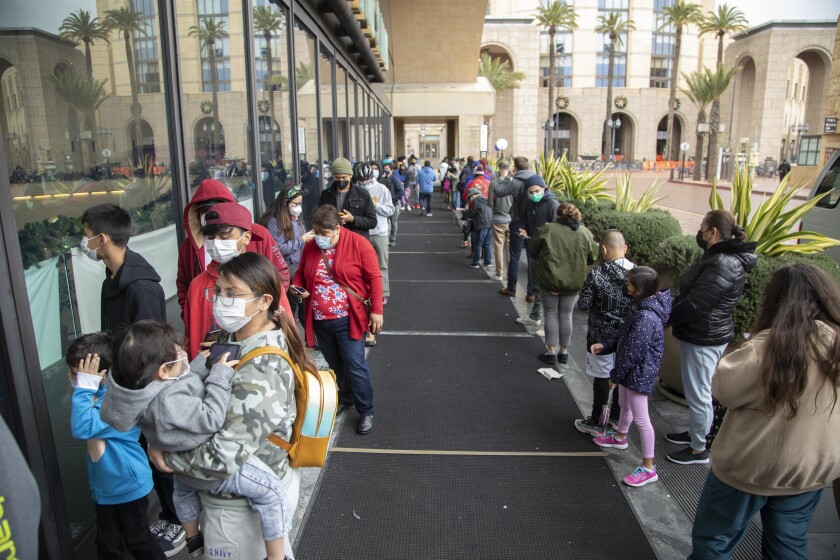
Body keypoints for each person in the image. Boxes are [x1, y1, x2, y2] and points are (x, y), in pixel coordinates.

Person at [147, 253, 303, 560]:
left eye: (232, 294)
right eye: (218, 291)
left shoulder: (263, 365)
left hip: (239, 506)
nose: (220, 300)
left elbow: (225, 456)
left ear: (263, 301)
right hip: (231, 496)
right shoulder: (233, 337)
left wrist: (167, 455)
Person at [101, 319, 291, 560]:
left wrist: (201, 361)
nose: (182, 353)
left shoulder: (145, 389)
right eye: (177, 353)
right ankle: (276, 556)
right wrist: (220, 375)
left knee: (181, 492)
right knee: (272, 492)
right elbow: (211, 417)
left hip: (183, 471)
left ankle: (193, 539)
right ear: (162, 370)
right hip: (210, 466)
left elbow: (182, 381)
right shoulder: (169, 402)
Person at [689, 264, 840, 559]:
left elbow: (722, 388)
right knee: (789, 545)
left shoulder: (767, 348)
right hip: (808, 471)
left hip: (747, 469)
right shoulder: (836, 346)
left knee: (714, 540)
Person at [80, 203, 183, 555]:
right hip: (122, 385)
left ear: (102, 238)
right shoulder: (113, 276)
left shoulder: (140, 286)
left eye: (86, 236)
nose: (85, 243)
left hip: (144, 390)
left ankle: (175, 518)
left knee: (158, 454)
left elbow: (153, 349)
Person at [665, 210, 757, 465]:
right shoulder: (716, 257)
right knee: (697, 390)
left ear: (713, 232)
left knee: (699, 392)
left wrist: (665, 318)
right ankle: (696, 433)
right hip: (701, 333)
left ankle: (699, 449)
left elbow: (697, 304)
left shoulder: (723, 263)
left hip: (704, 336)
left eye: (703, 228)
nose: (700, 233)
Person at [67, 334, 164, 559]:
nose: (72, 379)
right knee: (108, 544)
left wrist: (84, 388)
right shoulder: (99, 392)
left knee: (138, 541)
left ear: (99, 375)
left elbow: (82, 427)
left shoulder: (116, 403)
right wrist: (88, 386)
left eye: (76, 375)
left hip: (127, 486)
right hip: (106, 488)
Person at [291, 205, 383, 435]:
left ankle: (366, 410)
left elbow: (374, 277)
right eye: (316, 232)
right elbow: (301, 272)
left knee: (355, 364)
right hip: (321, 319)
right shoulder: (312, 246)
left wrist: (377, 311)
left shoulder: (358, 244)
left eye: (325, 234)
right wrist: (298, 286)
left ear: (338, 229)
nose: (320, 238)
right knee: (336, 365)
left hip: (348, 317)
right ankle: (346, 398)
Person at [591, 267, 671, 488]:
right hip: (632, 373)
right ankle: (619, 437)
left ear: (639, 289)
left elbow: (632, 352)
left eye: (629, 283)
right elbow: (625, 336)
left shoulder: (646, 317)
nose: (626, 285)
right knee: (624, 405)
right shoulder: (641, 308)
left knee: (642, 419)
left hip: (638, 374)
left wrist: (615, 377)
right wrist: (606, 345)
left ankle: (648, 467)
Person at [183, 202, 293, 358]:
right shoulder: (197, 286)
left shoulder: (261, 279)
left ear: (246, 237)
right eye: (210, 237)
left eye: (224, 237)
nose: (216, 243)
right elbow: (192, 336)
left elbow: (285, 327)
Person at [176, 178, 290, 316]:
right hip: (209, 320)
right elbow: (183, 286)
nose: (212, 213)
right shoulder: (189, 247)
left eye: (224, 237)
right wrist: (189, 314)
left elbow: (280, 272)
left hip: (256, 316)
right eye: (204, 210)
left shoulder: (258, 234)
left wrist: (270, 307)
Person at [575, 230, 635, 435]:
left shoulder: (597, 274)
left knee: (601, 378)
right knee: (620, 374)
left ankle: (596, 420)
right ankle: (616, 418)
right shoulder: (637, 273)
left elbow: (583, 304)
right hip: (628, 334)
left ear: (604, 249)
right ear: (625, 248)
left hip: (600, 335)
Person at [527, 202, 596, 364]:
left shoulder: (548, 229)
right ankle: (564, 352)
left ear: (558, 215)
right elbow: (592, 257)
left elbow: (533, 250)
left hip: (549, 280)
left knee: (550, 314)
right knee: (566, 315)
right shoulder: (584, 232)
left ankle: (551, 352)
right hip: (573, 282)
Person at [260, 184, 315, 322]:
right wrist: (302, 240)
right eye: (295, 203)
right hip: (285, 272)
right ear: (285, 202)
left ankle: (309, 339)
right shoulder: (274, 221)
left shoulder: (294, 218)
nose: (298, 207)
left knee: (303, 309)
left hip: (298, 268)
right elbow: (277, 249)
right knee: (288, 311)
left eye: (300, 203)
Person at [355, 162, 394, 342]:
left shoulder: (382, 189)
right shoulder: (355, 189)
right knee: (363, 268)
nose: (365, 185)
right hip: (362, 232)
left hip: (379, 232)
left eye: (367, 181)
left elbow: (390, 210)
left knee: (381, 265)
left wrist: (374, 206)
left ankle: (383, 293)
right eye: (361, 182)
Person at [515, 175, 559, 330]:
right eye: (531, 192)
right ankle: (536, 315)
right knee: (535, 284)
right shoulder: (530, 204)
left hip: (546, 252)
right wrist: (525, 230)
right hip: (533, 248)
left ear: (544, 189)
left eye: (537, 191)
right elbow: (526, 221)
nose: (534, 194)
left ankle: (537, 317)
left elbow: (556, 230)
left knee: (541, 286)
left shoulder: (552, 204)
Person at [495, 157, 537, 300]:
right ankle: (531, 293)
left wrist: (508, 177)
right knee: (532, 257)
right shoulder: (537, 179)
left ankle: (512, 288)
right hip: (533, 222)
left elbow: (499, 192)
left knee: (514, 256)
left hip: (518, 222)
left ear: (516, 168)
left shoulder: (515, 182)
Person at [319, 157, 377, 239]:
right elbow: (320, 217)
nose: (341, 180)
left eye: (344, 177)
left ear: (351, 176)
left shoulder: (362, 194)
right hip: (334, 240)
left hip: (357, 241)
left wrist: (353, 219)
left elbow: (372, 222)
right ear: (333, 177)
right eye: (337, 178)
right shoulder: (326, 194)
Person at [489, 162, 512, 281]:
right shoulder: (512, 183)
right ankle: (510, 274)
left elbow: (490, 203)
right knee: (509, 247)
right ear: (508, 169)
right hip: (510, 218)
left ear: (499, 169)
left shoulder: (493, 183)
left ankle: (499, 273)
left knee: (498, 246)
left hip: (497, 218)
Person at [458, 187, 493, 269]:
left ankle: (476, 262)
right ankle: (488, 261)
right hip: (490, 223)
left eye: (470, 198)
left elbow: (472, 213)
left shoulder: (476, 200)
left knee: (478, 244)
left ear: (472, 195)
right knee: (487, 244)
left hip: (481, 224)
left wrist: (463, 211)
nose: (470, 200)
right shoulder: (486, 198)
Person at [382, 160, 404, 247]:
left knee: (393, 222)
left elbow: (401, 191)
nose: (385, 170)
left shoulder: (394, 179)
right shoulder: (383, 179)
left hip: (394, 204)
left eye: (387, 169)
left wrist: (394, 199)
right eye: (384, 169)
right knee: (385, 222)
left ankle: (392, 239)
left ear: (391, 170)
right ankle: (386, 239)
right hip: (385, 204)